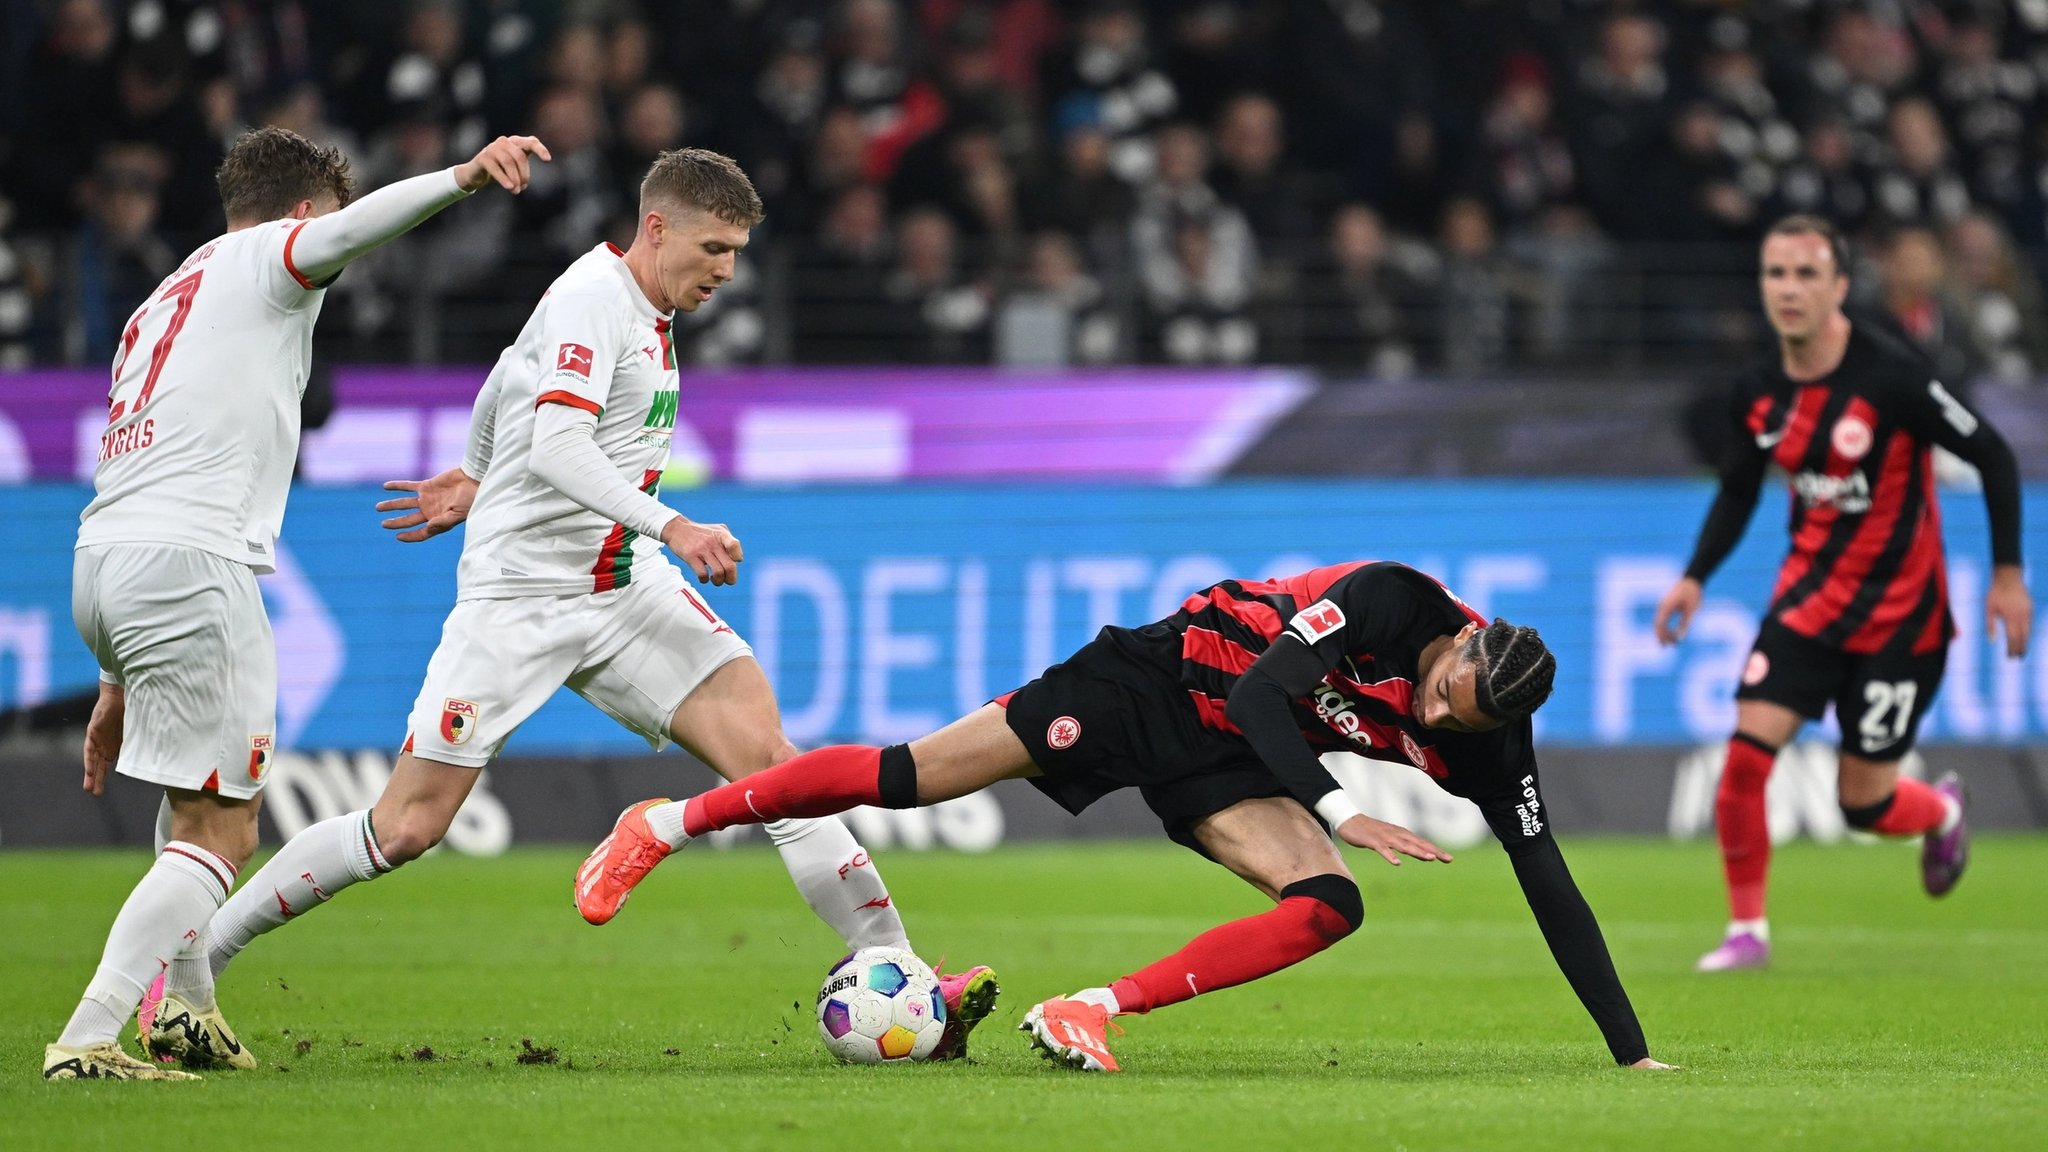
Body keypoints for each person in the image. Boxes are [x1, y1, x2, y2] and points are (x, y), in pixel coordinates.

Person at [140, 148, 996, 1074]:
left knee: (778, 771)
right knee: (407, 827)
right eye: (714, 247)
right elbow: (555, 441)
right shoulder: (595, 298)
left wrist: (471, 468)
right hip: (521, 601)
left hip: (620, 588)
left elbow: (509, 374)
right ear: (657, 227)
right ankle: (189, 968)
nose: (728, 271)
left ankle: (904, 974)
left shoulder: (642, 306)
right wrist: (673, 524)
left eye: (740, 252)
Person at [580, 560, 1677, 1073]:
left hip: (1234, 757)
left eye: (1456, 716)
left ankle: (1088, 1009)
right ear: (1464, 640)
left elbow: (1549, 881)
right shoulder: (1395, 601)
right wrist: (1342, 807)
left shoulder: (1489, 741)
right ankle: (667, 825)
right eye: (1442, 687)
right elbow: (1260, 691)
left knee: (1328, 907)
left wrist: (1628, 1057)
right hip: (1155, 679)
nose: (1435, 711)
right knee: (907, 774)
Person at [48, 126, 551, 1082]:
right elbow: (348, 236)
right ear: (301, 214)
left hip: (106, 557)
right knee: (227, 832)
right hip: (194, 562)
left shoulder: (164, 299)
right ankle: (87, 1036)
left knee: (192, 802)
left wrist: (115, 678)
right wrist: (461, 177)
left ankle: (187, 1010)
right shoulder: (267, 259)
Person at [1654, 214, 2032, 973]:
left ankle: (1943, 811)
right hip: (1808, 604)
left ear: (1838, 287)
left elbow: (1992, 455)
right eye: (1775, 274)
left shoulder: (1891, 375)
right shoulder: (1759, 390)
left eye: (1804, 275)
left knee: (1865, 803)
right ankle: (1747, 933)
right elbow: (1737, 491)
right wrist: (1696, 576)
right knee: (1744, 758)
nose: (1788, 290)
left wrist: (2007, 576)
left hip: (1902, 618)